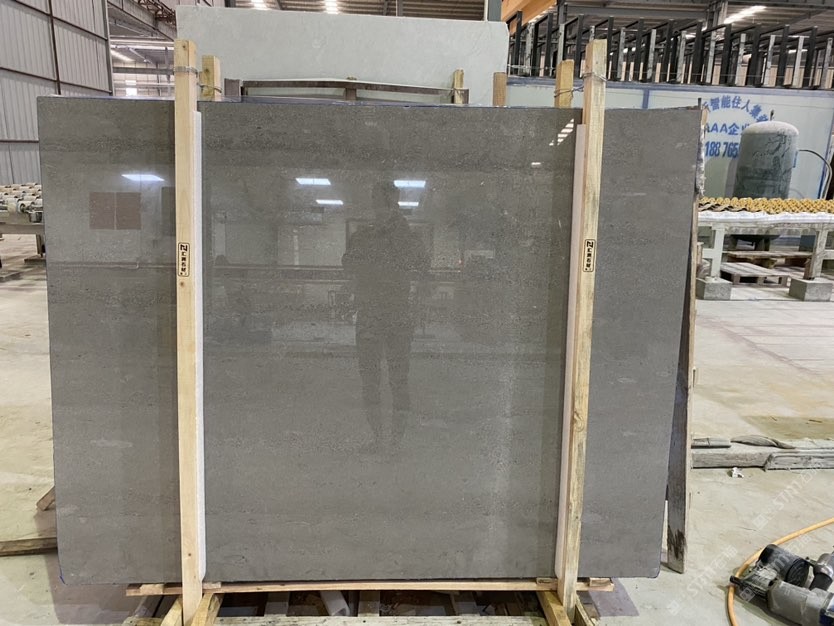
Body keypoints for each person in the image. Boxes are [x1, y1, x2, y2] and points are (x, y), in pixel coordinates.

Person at [342, 182, 429, 440]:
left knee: (393, 379)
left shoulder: (400, 236)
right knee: (375, 379)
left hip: (387, 315)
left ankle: (390, 440)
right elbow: (348, 263)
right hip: (380, 314)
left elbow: (422, 264)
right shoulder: (369, 236)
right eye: (378, 201)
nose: (379, 207)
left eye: (383, 201)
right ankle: (383, 439)